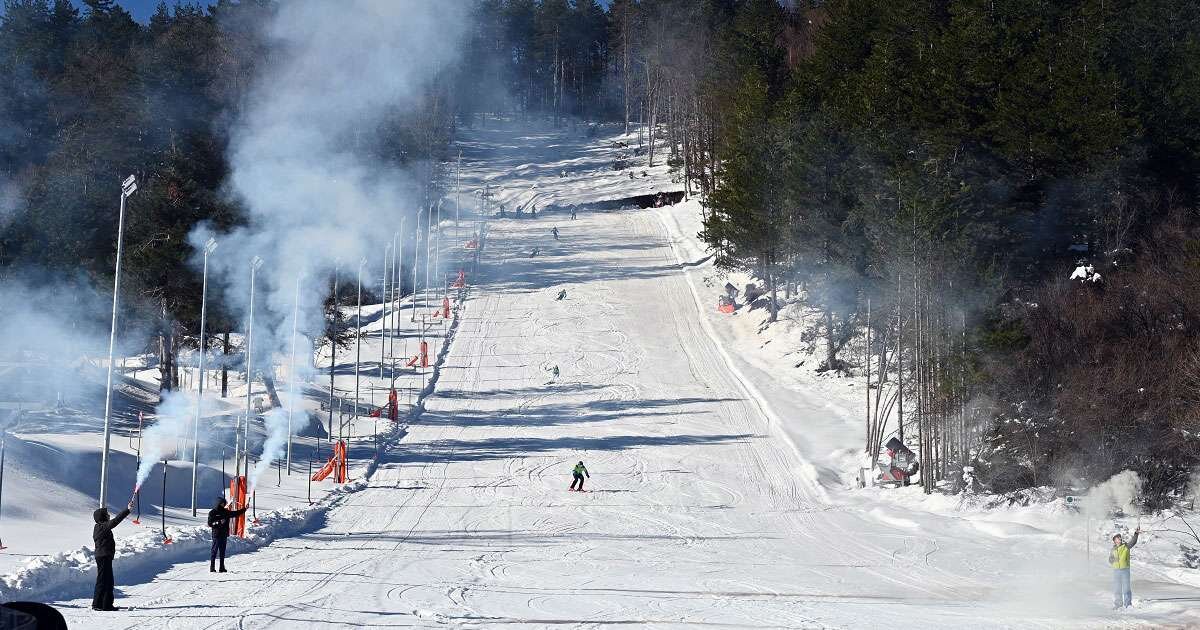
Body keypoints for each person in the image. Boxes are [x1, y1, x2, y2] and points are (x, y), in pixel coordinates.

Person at [92, 500, 134, 611]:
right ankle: (98, 604)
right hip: (103, 557)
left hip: (103, 556)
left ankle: (105, 604)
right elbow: (115, 521)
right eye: (107, 514)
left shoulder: (100, 527)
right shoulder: (102, 527)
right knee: (104, 580)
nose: (109, 515)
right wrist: (128, 510)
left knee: (107, 580)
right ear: (102, 517)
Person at [208, 497, 249, 573]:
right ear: (219, 503)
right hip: (216, 535)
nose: (224, 504)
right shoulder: (212, 513)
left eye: (224, 503)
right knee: (214, 551)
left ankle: (222, 567)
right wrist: (219, 522)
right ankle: (212, 567)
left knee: (222, 552)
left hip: (224, 535)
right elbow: (210, 523)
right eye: (223, 503)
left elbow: (235, 513)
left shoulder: (226, 512)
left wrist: (244, 509)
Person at [1110, 527, 1141, 608]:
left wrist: (1136, 534)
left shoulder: (1126, 546)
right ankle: (1118, 604)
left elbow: (1133, 542)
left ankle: (1128, 604)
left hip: (1125, 570)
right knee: (1117, 589)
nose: (1119, 539)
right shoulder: (1112, 550)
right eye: (1117, 538)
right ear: (1114, 540)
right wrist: (1112, 559)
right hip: (1116, 571)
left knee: (1126, 588)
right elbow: (1110, 560)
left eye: (1120, 538)